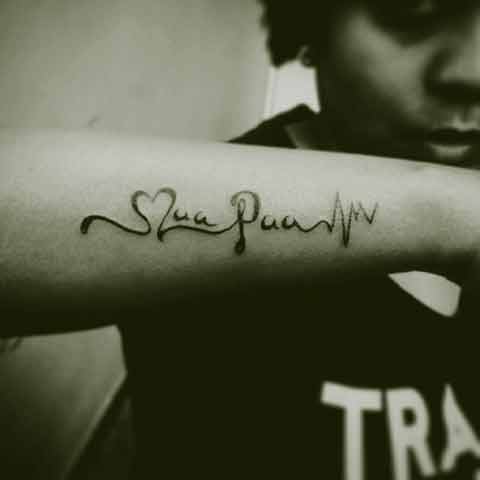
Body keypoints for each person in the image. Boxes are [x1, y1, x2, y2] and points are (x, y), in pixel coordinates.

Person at [2, 0, 480, 478]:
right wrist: (443, 211)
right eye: (410, 9)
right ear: (311, 26)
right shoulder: (214, 229)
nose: (472, 71)